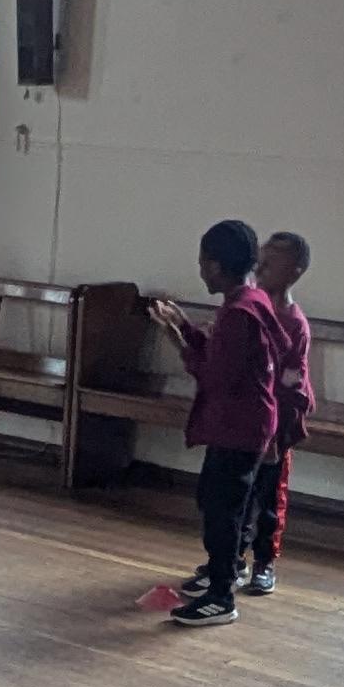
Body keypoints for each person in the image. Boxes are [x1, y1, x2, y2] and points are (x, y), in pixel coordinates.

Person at [146, 220, 287, 628]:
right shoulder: (250, 300)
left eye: (202, 263)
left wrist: (177, 340)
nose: (200, 271)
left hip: (240, 425)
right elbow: (225, 355)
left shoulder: (240, 312)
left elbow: (215, 377)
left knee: (223, 510)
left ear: (216, 265)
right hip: (244, 422)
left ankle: (221, 597)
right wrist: (186, 326)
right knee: (215, 500)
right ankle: (223, 570)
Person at [241, 230, 314, 595]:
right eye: (263, 257)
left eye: (274, 260)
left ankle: (264, 562)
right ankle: (233, 557)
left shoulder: (294, 323)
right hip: (246, 418)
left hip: (276, 424)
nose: (263, 265)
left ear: (294, 271)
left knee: (269, 496)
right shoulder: (251, 307)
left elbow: (289, 384)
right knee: (239, 494)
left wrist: (273, 434)